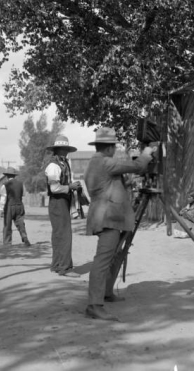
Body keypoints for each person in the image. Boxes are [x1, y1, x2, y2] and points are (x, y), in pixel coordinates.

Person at [84, 127, 155, 321]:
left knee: (112, 256)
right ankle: (94, 305)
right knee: (102, 261)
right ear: (109, 148)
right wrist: (146, 155)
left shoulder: (97, 162)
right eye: (114, 147)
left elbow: (110, 186)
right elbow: (137, 167)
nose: (115, 150)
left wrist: (127, 185)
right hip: (109, 218)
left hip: (108, 215)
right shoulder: (104, 162)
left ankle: (106, 292)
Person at [44, 135, 82, 277]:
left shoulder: (63, 164)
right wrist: (69, 187)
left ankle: (56, 264)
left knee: (59, 234)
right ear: (57, 150)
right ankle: (65, 268)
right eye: (63, 149)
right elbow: (54, 188)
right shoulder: (53, 165)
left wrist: (72, 186)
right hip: (57, 201)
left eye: (66, 149)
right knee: (64, 234)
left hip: (63, 201)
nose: (65, 152)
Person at [0, 167, 31, 247]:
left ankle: (7, 243)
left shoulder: (5, 185)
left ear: (6, 176)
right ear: (14, 176)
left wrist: (1, 209)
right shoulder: (20, 184)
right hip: (19, 206)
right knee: (20, 223)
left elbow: (3, 198)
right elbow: (23, 194)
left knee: (7, 225)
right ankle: (24, 237)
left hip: (9, 206)